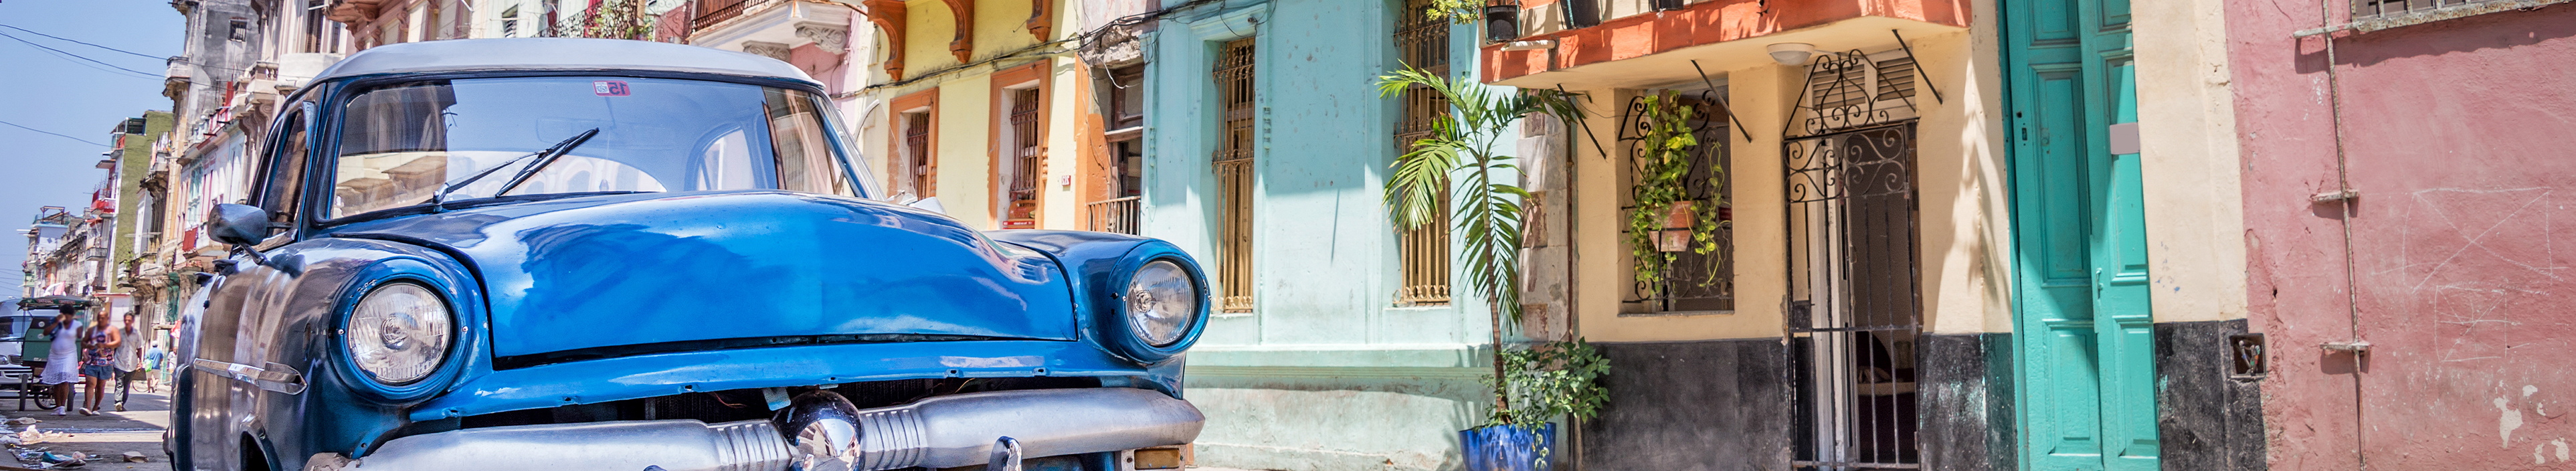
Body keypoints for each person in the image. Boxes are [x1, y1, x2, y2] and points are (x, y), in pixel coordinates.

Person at [76, 313, 118, 415]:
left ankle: (95, 408)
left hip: (106, 363)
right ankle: (88, 408)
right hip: (92, 362)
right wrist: (84, 355)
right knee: (90, 384)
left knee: (100, 386)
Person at [39, 311, 80, 416]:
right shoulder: (55, 324)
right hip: (55, 355)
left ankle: (62, 406)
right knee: (57, 383)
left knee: (65, 380)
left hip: (68, 355)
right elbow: (46, 333)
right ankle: (58, 407)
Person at [112, 314, 143, 411]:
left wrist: (140, 361)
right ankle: (118, 402)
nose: (127, 322)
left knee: (127, 385)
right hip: (119, 362)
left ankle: (122, 403)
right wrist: (112, 359)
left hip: (132, 363)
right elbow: (114, 347)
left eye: (129, 320)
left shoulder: (138, 334)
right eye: (126, 320)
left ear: (132, 321)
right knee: (119, 383)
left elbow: (140, 348)